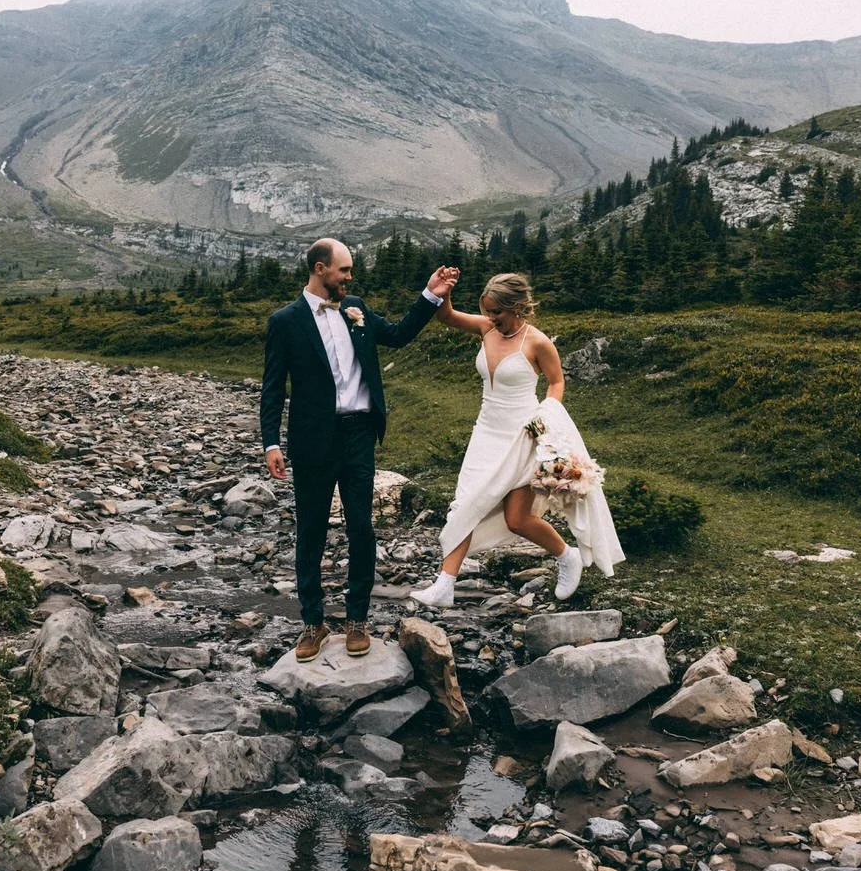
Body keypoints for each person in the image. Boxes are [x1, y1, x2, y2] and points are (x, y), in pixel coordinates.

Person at [261, 238, 459, 662]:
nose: (350, 277)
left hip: (358, 434)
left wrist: (431, 294)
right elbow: (273, 387)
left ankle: (357, 619)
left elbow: (399, 334)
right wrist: (271, 442)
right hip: (313, 438)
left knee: (361, 529)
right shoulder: (286, 321)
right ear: (319, 268)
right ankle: (312, 623)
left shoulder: (356, 307)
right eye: (343, 270)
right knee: (311, 530)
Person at [409, 272, 623, 609]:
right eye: (488, 311)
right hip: (486, 430)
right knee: (465, 504)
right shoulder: (486, 329)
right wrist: (444, 292)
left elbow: (556, 382)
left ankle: (566, 556)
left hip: (523, 435)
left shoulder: (537, 342)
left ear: (517, 307)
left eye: (497, 312)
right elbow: (445, 316)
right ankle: (444, 585)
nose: (492, 318)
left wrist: (546, 415)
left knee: (517, 519)